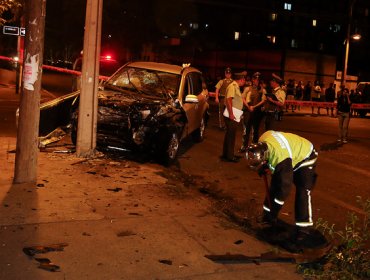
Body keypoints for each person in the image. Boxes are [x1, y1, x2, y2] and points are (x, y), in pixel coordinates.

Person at [246, 130, 318, 244]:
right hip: (289, 152)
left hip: (306, 155)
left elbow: (284, 189)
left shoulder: (281, 160)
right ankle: (266, 215)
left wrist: (275, 210)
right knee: (275, 184)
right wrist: (263, 166)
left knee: (303, 191)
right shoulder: (263, 138)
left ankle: (304, 228)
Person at [221, 71, 246, 162]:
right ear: (241, 79)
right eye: (244, 80)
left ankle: (226, 154)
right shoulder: (233, 86)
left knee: (229, 134)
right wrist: (231, 113)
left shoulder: (235, 86)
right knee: (231, 135)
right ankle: (230, 156)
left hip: (234, 113)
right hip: (232, 114)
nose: (245, 82)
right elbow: (228, 100)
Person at [239, 72, 266, 152]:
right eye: (255, 79)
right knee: (246, 130)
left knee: (255, 130)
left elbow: (263, 100)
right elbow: (242, 98)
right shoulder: (247, 88)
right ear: (253, 79)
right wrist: (248, 106)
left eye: (258, 79)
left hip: (257, 112)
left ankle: (254, 147)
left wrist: (254, 107)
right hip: (248, 111)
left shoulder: (262, 90)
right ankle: (244, 146)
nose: (256, 81)